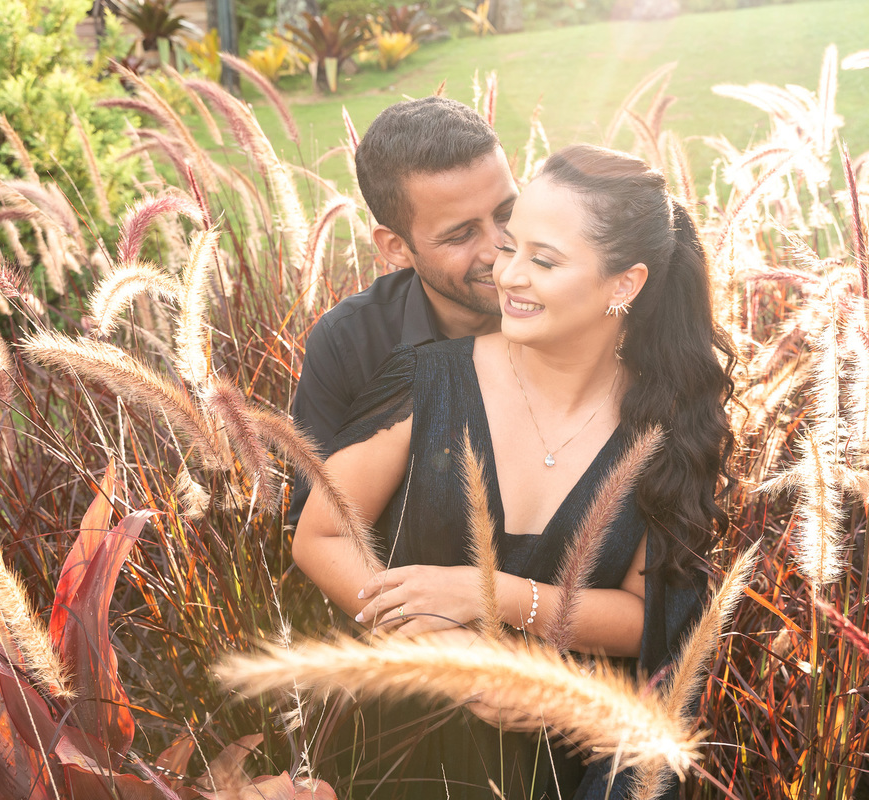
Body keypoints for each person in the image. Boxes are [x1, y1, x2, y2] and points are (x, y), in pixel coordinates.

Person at [294, 145, 735, 799]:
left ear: (625, 284)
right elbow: (321, 536)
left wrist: (492, 596)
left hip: (563, 757)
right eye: (511, 247)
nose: (509, 276)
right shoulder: (427, 380)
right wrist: (448, 655)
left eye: (544, 260)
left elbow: (650, 616)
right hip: (401, 751)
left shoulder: (668, 423)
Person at [287, 96, 517, 527]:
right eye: (461, 234)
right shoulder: (349, 343)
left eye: (507, 212)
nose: (499, 248)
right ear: (395, 247)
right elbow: (321, 528)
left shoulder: (572, 304)